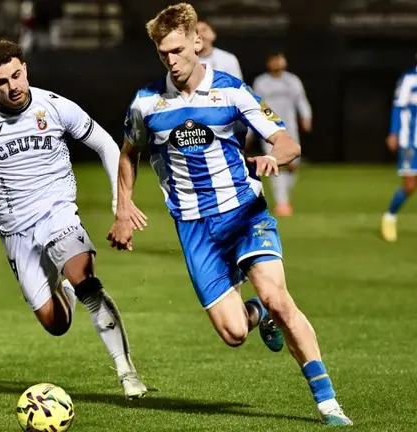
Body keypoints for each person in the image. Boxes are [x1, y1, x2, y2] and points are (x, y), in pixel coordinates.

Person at [107, 3, 352, 425]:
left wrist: (273, 157)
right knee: (234, 333)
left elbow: (288, 142)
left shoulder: (233, 91)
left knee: (282, 298)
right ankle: (258, 312)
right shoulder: (146, 102)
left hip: (244, 213)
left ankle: (328, 403)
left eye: (178, 50)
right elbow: (129, 153)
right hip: (195, 228)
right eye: (163, 53)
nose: (172, 60)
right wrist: (123, 207)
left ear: (197, 41)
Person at [0, 40, 148, 399]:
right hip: (14, 230)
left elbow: (107, 145)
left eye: (17, 75)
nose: (13, 86)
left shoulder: (55, 106)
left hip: (57, 213)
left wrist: (118, 206)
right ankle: (64, 291)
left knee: (86, 281)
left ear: (26, 69)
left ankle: (127, 372)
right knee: (56, 324)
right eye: (2, 81)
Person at [252, 52, 312, 216]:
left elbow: (301, 100)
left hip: (290, 126)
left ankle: (284, 197)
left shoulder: (291, 81)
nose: (277, 63)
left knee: (292, 164)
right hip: (270, 127)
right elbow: (256, 105)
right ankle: (282, 203)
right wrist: (258, 126)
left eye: (279, 59)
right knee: (275, 162)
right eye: (273, 60)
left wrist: (306, 116)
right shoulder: (262, 82)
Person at [381, 63, 417, 242]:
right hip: (410, 140)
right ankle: (390, 217)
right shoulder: (409, 78)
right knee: (410, 185)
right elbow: (397, 107)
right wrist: (394, 132)